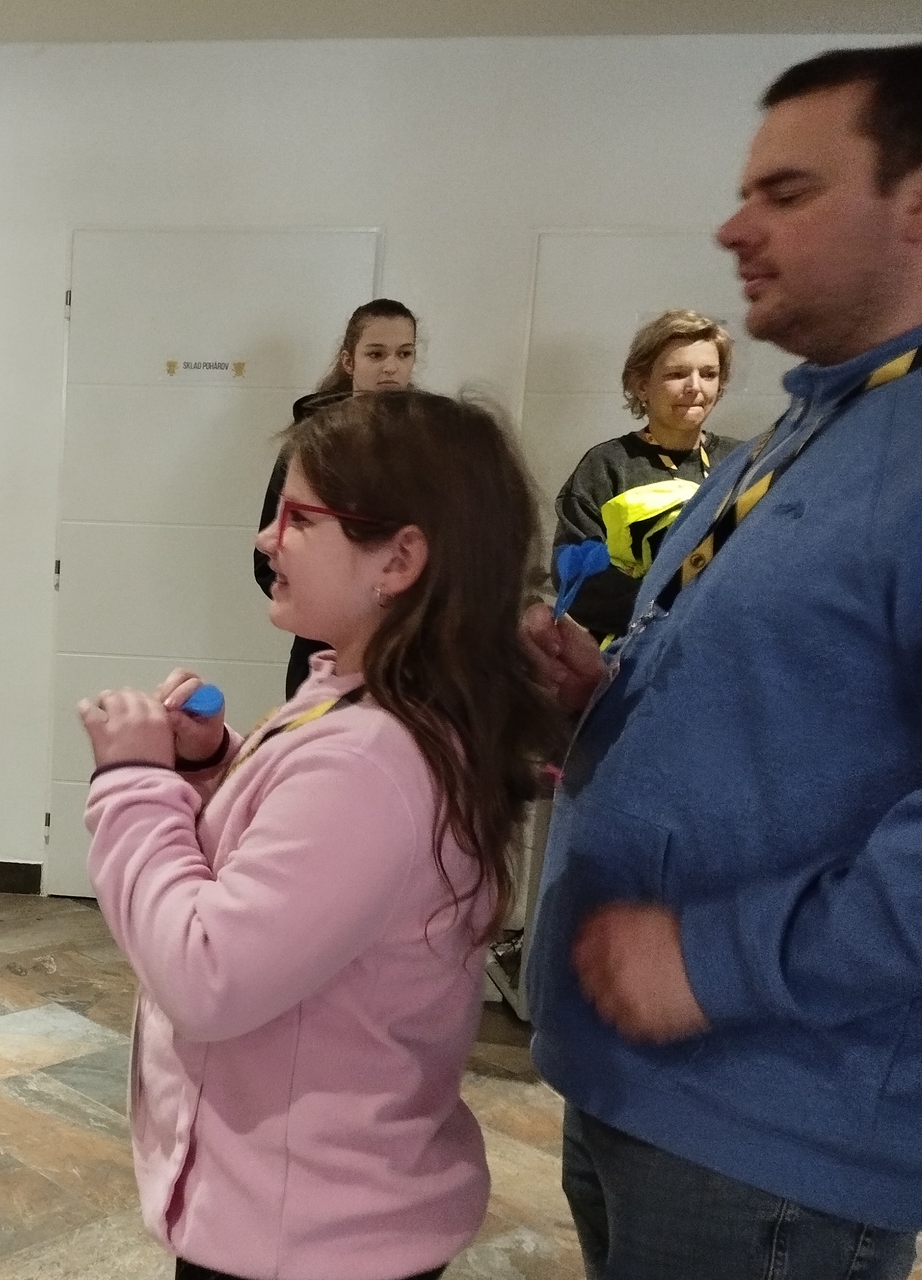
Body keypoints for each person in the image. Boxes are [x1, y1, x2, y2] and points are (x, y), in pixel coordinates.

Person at [523, 43, 922, 1279]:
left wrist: (713, 960)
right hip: (640, 1082)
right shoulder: (799, 434)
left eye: (786, 194)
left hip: (776, 1128)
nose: (733, 228)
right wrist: (595, 703)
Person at [82, 391, 565, 1280]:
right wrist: (212, 765)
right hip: (311, 1211)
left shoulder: (371, 757)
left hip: (303, 1237)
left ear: (399, 559)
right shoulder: (365, 700)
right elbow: (309, 863)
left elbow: (207, 976)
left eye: (299, 519)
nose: (267, 539)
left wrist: (133, 786)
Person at [253, 299, 419, 698]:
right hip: (323, 652)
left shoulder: (430, 447)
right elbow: (268, 558)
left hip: (407, 654)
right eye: (376, 354)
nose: (391, 367)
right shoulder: (311, 444)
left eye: (404, 354)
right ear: (349, 361)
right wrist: (340, 611)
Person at [551, 309, 745, 642]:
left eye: (709, 374)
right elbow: (577, 578)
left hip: (727, 650)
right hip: (631, 657)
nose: (695, 387)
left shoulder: (745, 461)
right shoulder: (607, 466)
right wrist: (671, 616)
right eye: (677, 374)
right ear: (642, 385)